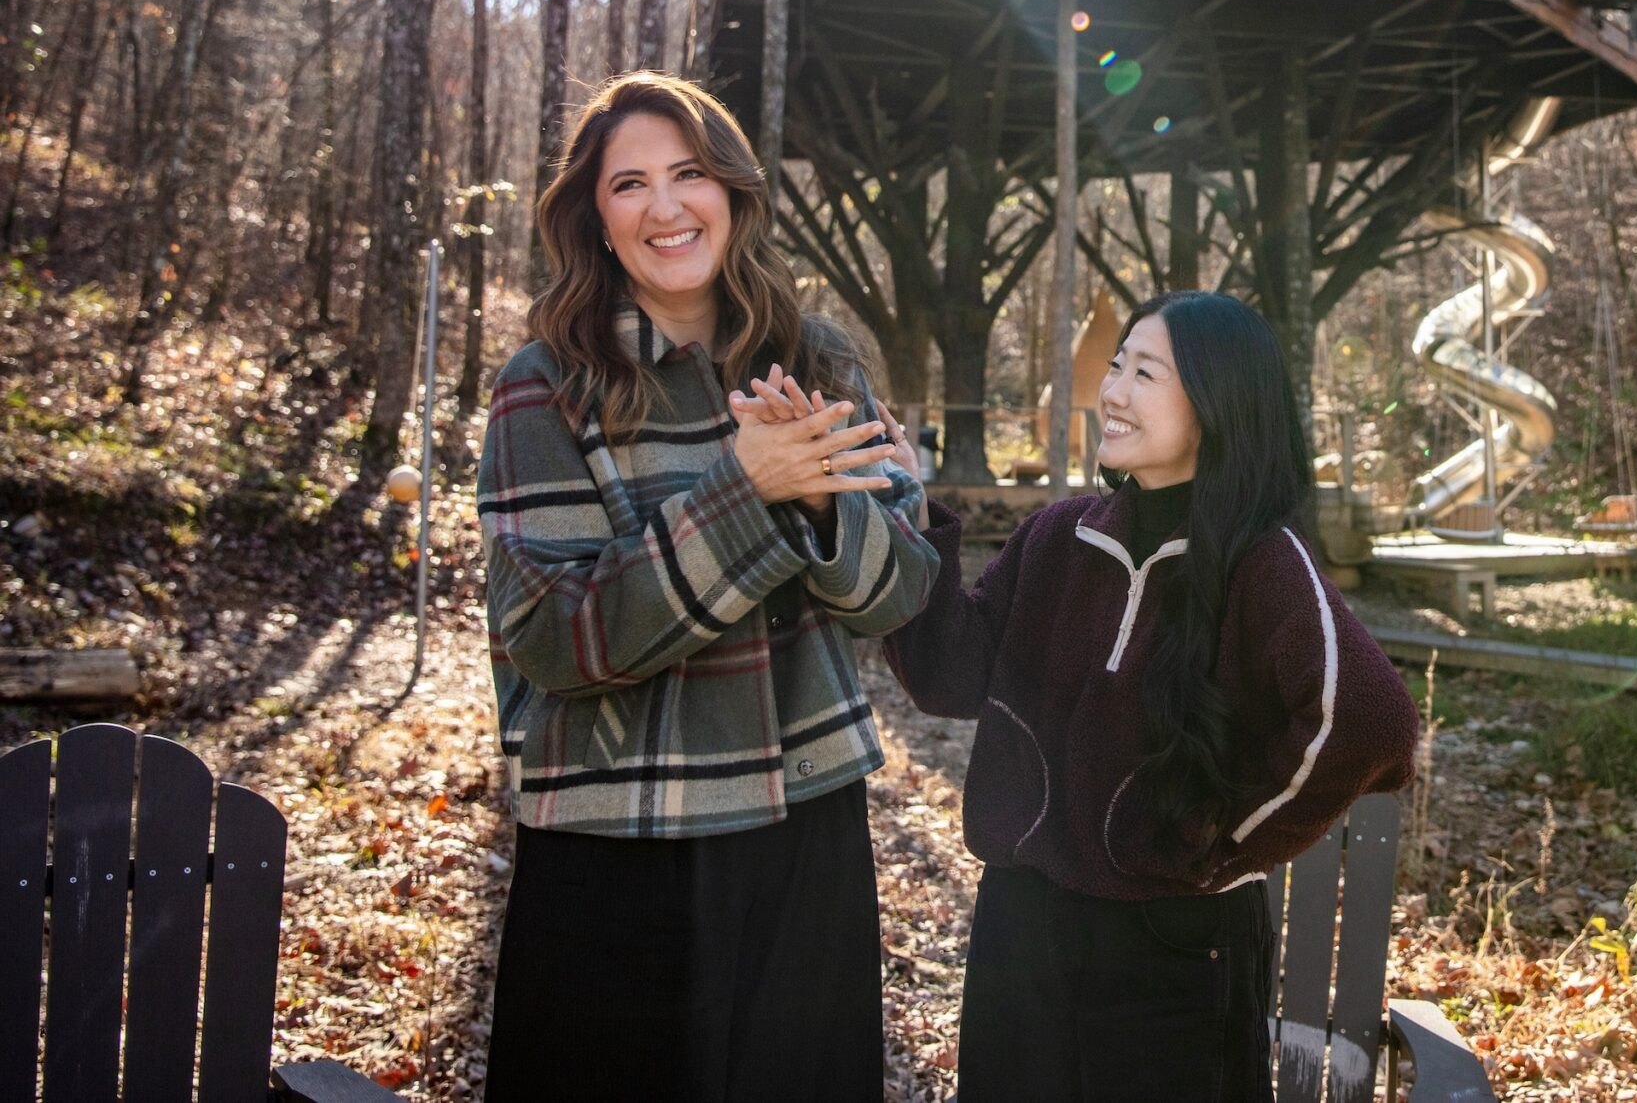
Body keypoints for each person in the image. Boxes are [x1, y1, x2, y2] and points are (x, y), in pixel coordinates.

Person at [476, 72, 937, 1103]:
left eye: (689, 174)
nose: (667, 207)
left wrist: (820, 508)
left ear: (732, 191)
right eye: (630, 184)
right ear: (594, 221)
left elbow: (900, 594)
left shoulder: (815, 360)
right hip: (618, 842)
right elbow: (553, 638)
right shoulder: (543, 385)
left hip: (802, 827)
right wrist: (748, 490)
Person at [883, 291, 1421, 1101]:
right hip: (1022, 926)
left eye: (1147, 372)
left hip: (1176, 947)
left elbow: (1370, 721)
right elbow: (947, 673)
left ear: (1215, 403)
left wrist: (1223, 844)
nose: (1115, 391)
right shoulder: (1057, 538)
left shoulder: (1259, 560)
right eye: (1116, 365)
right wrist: (909, 514)